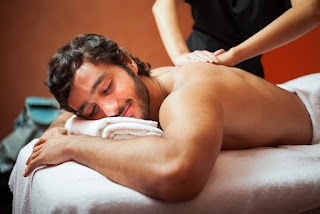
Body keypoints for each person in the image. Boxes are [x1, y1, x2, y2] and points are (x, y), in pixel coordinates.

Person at [23, 34, 317, 202]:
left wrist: (72, 147)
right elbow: (64, 116)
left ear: (127, 63)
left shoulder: (186, 95)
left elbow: (178, 174)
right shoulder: (151, 84)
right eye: (91, 111)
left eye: (107, 87)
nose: (109, 110)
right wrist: (55, 133)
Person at [152, 0, 320, 77]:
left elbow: (311, 10)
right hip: (195, 62)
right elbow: (163, 4)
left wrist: (233, 57)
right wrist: (180, 55)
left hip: (246, 71)